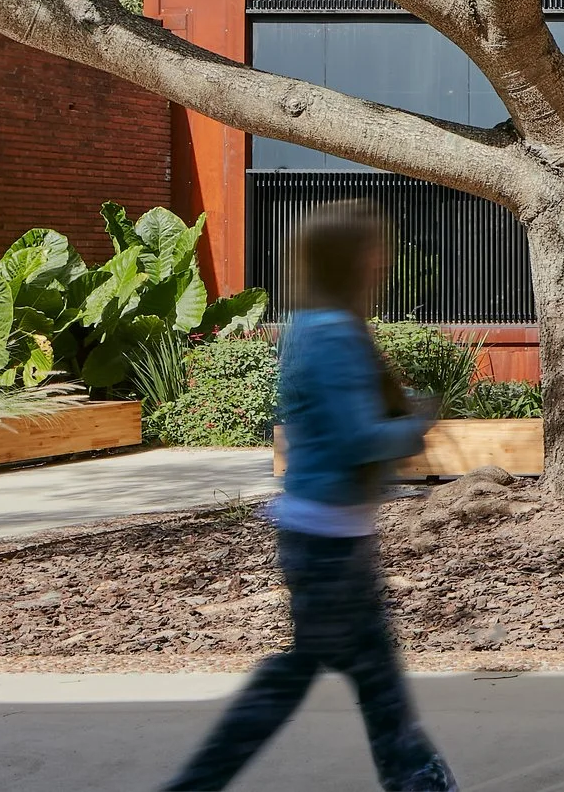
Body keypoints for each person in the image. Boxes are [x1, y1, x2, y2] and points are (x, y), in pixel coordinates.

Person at [162, 203, 456, 792]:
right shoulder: (335, 334)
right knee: (336, 677)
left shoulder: (309, 326)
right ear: (353, 261)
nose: (384, 261)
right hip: (328, 541)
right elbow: (356, 439)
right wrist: (417, 424)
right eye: (375, 252)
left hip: (327, 535)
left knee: (370, 679)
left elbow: (330, 422)